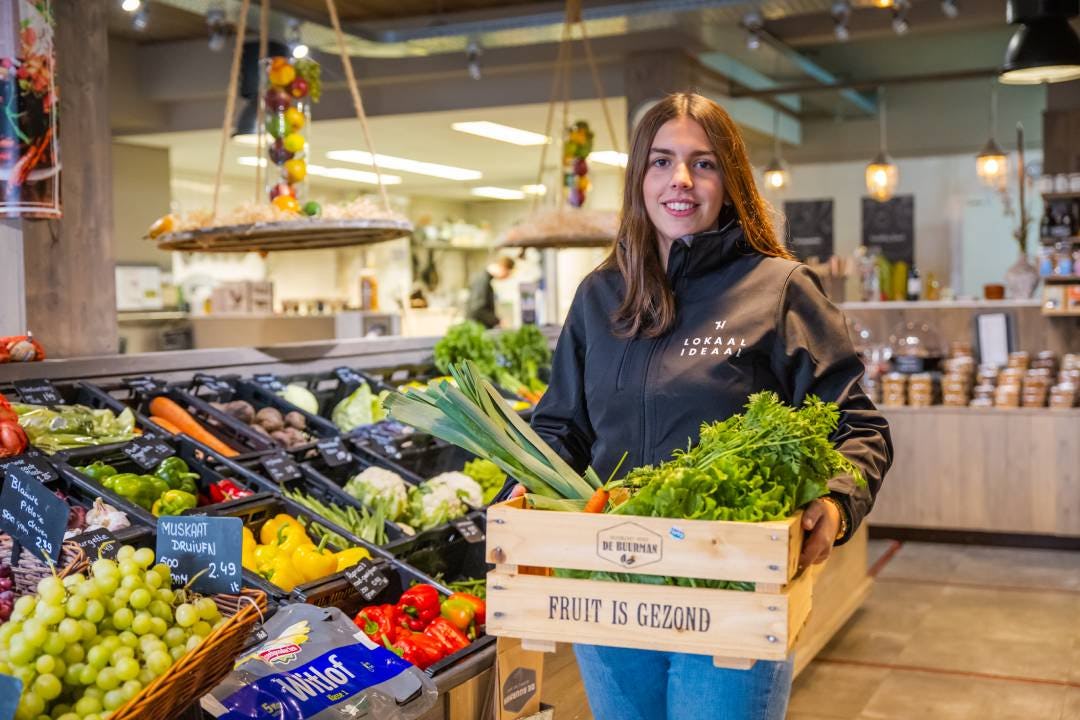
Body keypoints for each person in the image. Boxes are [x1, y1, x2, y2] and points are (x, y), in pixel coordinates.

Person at [508, 93, 893, 719]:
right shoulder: (600, 295)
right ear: (639, 178)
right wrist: (524, 486)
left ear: (730, 180)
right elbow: (562, 425)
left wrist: (834, 500)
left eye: (703, 163)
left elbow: (856, 423)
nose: (680, 179)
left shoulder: (779, 290)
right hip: (609, 585)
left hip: (731, 589)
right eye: (661, 161)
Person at [466, 256, 515, 328]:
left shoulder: (485, 279)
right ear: (503, 268)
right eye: (507, 274)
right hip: (477, 328)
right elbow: (477, 309)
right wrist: (497, 321)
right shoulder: (482, 280)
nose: (505, 278)